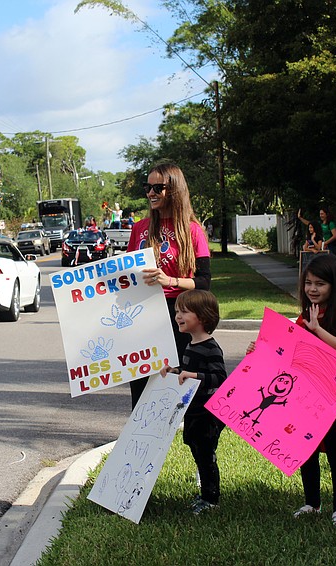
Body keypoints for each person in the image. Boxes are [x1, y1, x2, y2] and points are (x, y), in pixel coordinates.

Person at [247, 253, 336, 528]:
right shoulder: (304, 317)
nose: (313, 289)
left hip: (334, 399)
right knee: (308, 451)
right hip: (306, 399)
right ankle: (312, 503)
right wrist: (258, 351)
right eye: (308, 283)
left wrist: (317, 330)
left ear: (334, 286)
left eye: (320, 284)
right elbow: (285, 349)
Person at [127, 162, 212, 408]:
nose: (151, 193)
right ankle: (141, 438)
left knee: (176, 384)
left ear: (173, 190)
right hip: (144, 314)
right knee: (142, 385)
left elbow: (204, 281)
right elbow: (127, 275)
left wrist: (169, 280)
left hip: (180, 315)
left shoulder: (193, 231)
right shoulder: (139, 228)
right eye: (148, 187)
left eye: (158, 188)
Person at [159, 290, 227, 514]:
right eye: (177, 311)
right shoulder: (191, 345)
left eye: (184, 312)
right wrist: (175, 371)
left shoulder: (211, 347)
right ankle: (205, 494)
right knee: (197, 450)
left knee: (206, 455)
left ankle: (211, 499)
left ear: (203, 317)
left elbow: (219, 378)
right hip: (193, 411)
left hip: (208, 413)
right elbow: (190, 370)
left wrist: (192, 376)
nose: (178, 316)